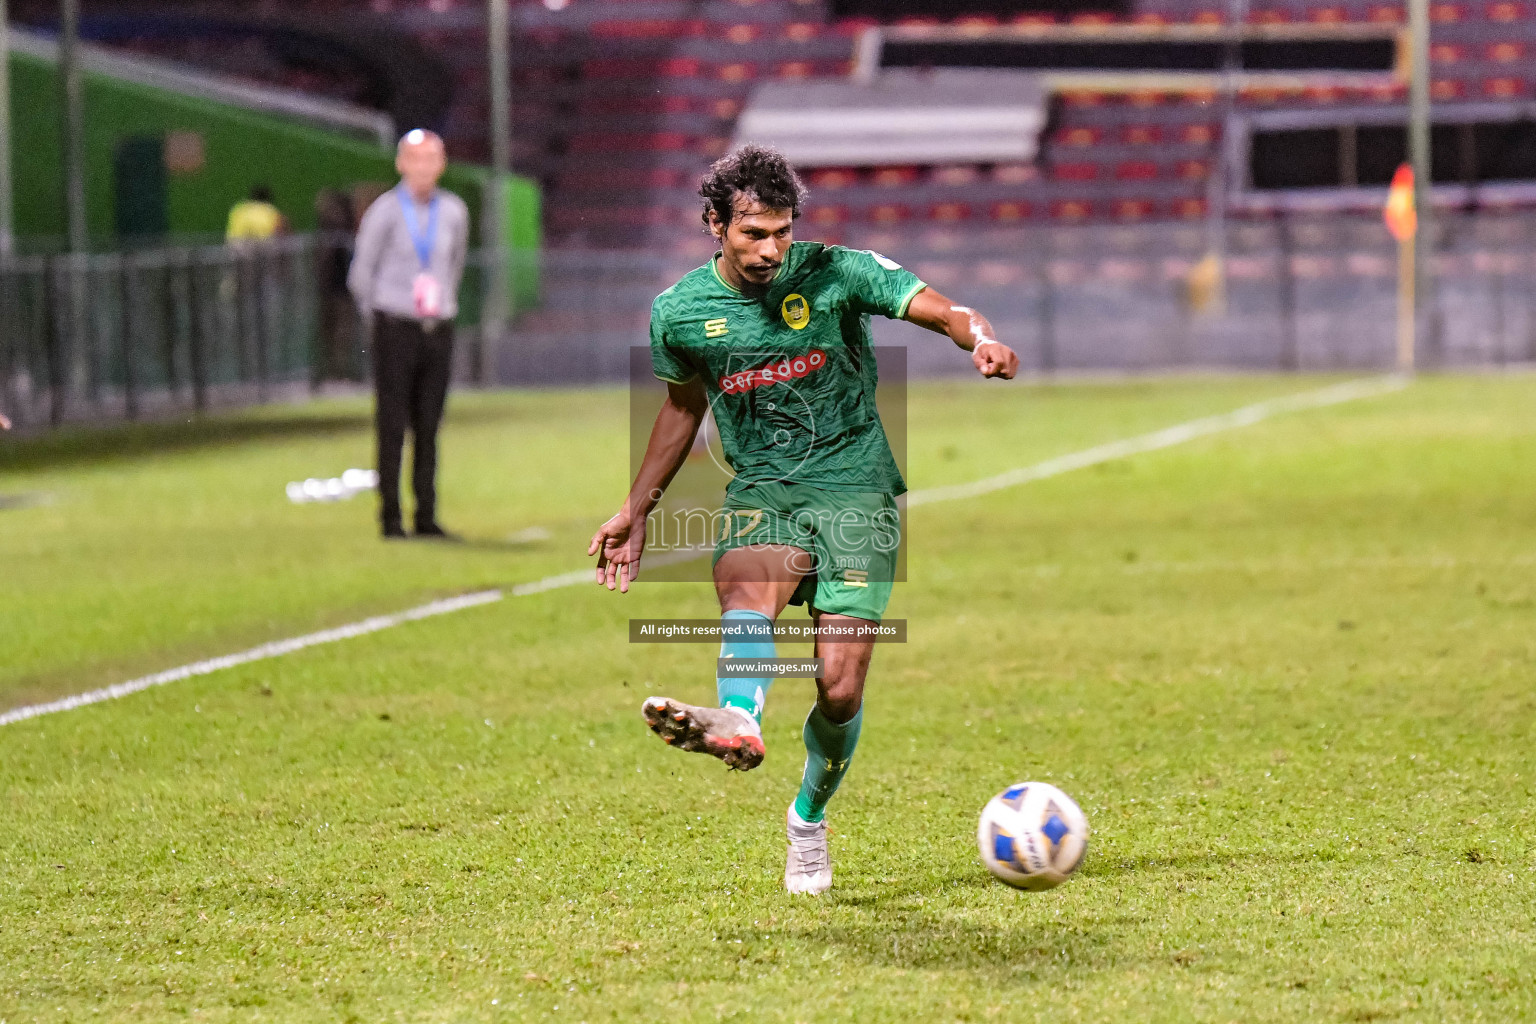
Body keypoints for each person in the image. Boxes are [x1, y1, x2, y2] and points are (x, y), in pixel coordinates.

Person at [587, 144, 1018, 895]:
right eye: (754, 234)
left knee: (840, 688)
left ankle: (808, 820)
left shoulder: (838, 272)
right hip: (765, 490)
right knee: (747, 592)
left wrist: (979, 339)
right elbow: (683, 408)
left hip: (855, 489)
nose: (772, 249)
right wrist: (636, 509)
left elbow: (943, 310)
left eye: (782, 232)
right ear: (715, 224)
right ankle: (740, 719)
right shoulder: (680, 313)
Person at [347, 129, 470, 540]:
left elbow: (454, 265)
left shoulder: (453, 211)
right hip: (394, 327)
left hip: (436, 329)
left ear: (442, 164)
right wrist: (380, 320)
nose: (423, 168)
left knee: (429, 425)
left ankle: (426, 514)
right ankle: (390, 517)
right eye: (415, 159)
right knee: (392, 424)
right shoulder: (384, 211)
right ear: (401, 163)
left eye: (432, 159)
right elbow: (361, 274)